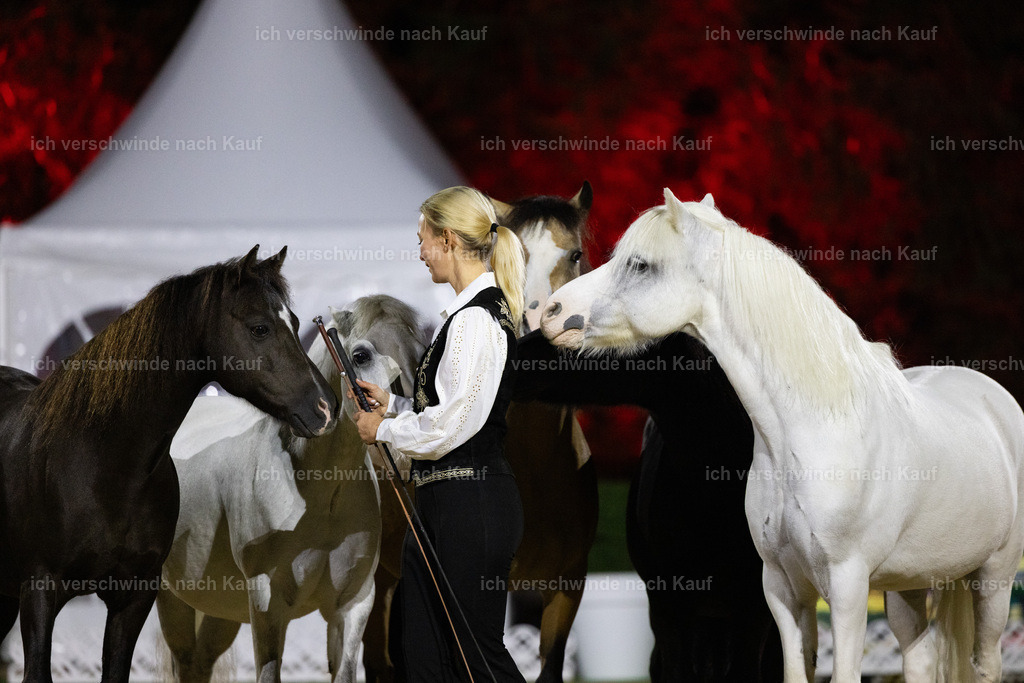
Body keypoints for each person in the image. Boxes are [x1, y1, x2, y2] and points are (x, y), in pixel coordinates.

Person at [352, 186, 527, 682]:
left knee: (475, 659)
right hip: (443, 505)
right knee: (428, 663)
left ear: (448, 240)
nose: (420, 250)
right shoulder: (466, 316)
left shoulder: (475, 320)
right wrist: (396, 406)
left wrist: (383, 426)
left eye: (423, 239)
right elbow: (451, 410)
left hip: (469, 505)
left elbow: (451, 427)